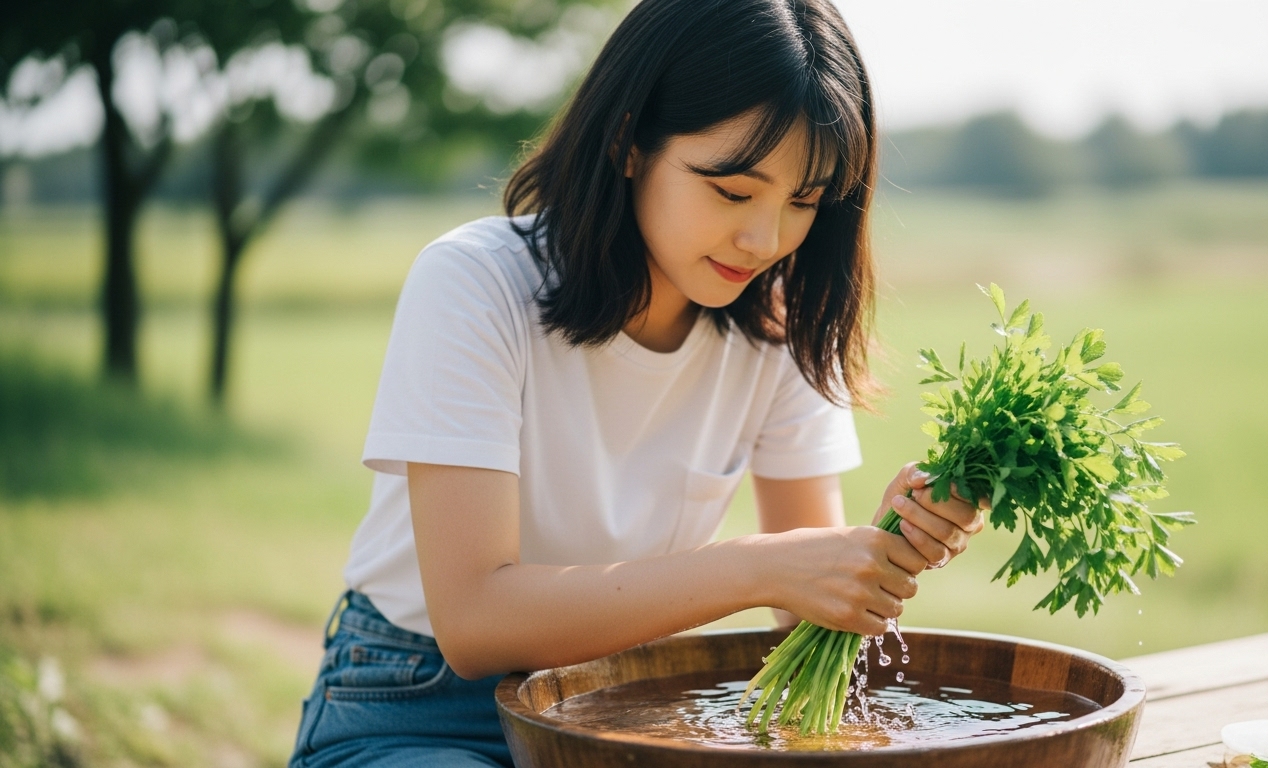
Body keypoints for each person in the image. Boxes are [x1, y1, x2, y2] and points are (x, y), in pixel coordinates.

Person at [288, 0, 985, 765]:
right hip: (421, 706)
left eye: (804, 202)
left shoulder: (776, 329)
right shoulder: (475, 283)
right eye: (732, 190)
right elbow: (476, 624)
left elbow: (798, 614)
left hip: (625, 703)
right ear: (628, 141)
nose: (765, 239)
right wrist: (761, 564)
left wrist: (880, 544)